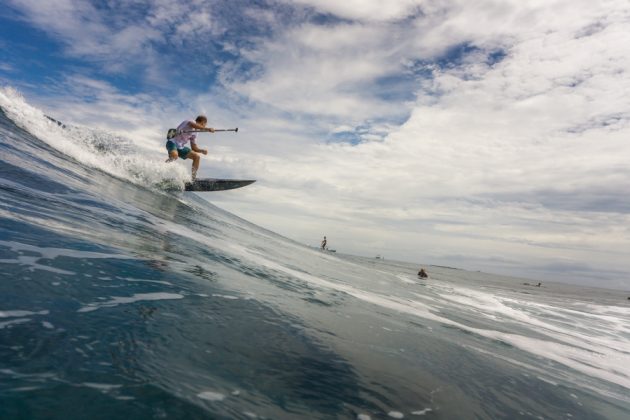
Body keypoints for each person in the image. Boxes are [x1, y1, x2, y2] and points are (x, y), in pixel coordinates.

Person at [166, 115, 214, 180]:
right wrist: (207, 129)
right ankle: (163, 168)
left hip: (181, 147)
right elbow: (192, 124)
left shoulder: (196, 133)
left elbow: (193, 147)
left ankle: (193, 178)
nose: (204, 126)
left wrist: (201, 151)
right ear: (203, 123)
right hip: (172, 143)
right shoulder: (190, 121)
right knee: (174, 156)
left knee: (196, 157)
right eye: (205, 125)